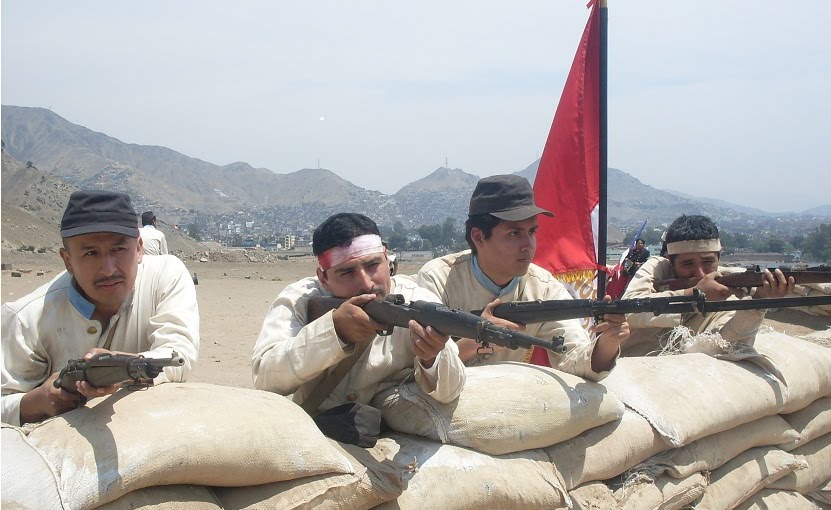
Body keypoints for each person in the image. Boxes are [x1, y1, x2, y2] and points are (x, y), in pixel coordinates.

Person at [1, 190, 200, 426]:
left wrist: (121, 366)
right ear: (68, 261)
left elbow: (179, 356)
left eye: (118, 250)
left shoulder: (166, 277)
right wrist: (40, 401)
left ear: (138, 249)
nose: (107, 269)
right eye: (90, 253)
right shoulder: (27, 317)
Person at [415, 174, 628, 381]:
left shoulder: (543, 287)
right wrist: (480, 337)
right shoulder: (438, 279)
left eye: (532, 231)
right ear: (478, 237)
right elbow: (421, 367)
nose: (529, 245)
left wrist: (607, 344)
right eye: (514, 234)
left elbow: (573, 359)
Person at [252, 213, 466, 415]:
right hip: (315, 428)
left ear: (387, 258)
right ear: (323, 278)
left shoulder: (418, 302)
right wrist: (334, 331)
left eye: (373, 265)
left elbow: (451, 390)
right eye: (347, 272)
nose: (366, 283)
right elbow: (265, 378)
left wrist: (432, 359)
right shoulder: (300, 298)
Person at [621, 214, 794, 355]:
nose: (701, 273)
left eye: (708, 261)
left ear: (719, 258)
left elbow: (728, 346)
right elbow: (628, 309)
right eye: (688, 264)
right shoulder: (658, 266)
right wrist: (693, 295)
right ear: (670, 262)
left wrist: (758, 304)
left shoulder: (730, 291)